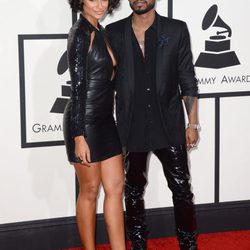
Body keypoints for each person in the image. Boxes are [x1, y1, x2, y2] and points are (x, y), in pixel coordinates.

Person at [106, 0, 199, 249]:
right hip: (131, 125)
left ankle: (188, 244)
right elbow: (106, 82)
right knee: (133, 191)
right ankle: (138, 244)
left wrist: (193, 124)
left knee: (181, 190)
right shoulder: (113, 33)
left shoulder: (176, 30)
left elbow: (187, 78)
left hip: (168, 123)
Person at [63, 0, 126, 249]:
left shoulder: (102, 31)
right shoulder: (79, 33)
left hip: (105, 120)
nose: (100, 4)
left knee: (115, 187)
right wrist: (79, 135)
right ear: (80, 2)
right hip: (84, 121)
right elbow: (77, 87)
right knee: (89, 190)